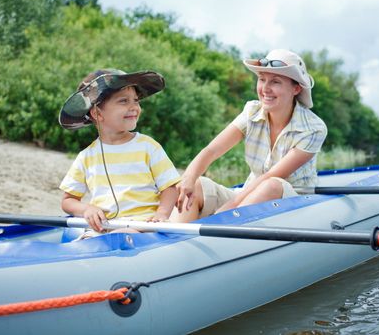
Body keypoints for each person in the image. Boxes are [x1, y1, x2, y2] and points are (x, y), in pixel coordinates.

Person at [171, 49, 327, 223]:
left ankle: (223, 231)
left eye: (275, 82)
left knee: (271, 184)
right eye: (262, 79)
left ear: (296, 88)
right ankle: (176, 240)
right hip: (249, 194)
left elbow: (271, 177)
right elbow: (212, 150)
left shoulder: (314, 128)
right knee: (198, 184)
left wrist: (225, 212)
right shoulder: (252, 111)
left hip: (293, 201)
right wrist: (189, 178)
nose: (265, 89)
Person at [58, 69, 180, 236]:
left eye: (136, 101)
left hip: (143, 225)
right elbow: (68, 201)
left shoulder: (147, 146)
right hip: (104, 228)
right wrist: (87, 208)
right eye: (124, 101)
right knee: (86, 242)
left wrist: (162, 214)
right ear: (97, 113)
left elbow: (170, 187)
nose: (134, 107)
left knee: (122, 236)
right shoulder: (86, 156)